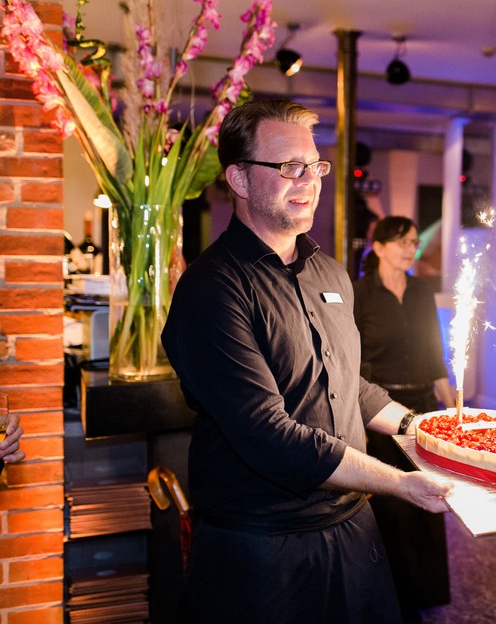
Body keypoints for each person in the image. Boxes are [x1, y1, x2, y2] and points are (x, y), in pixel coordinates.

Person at [160, 100, 450, 623]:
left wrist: (422, 429)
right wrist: (400, 481)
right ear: (239, 179)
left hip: (354, 530)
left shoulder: (332, 274)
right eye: (289, 167)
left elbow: (347, 383)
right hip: (263, 548)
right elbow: (268, 435)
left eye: (314, 166)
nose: (309, 180)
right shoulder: (212, 288)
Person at [354, 216, 454, 622]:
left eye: (414, 242)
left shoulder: (420, 291)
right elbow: (353, 359)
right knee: (392, 507)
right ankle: (395, 597)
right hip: (380, 411)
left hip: (423, 407)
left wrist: (451, 404)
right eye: (401, 242)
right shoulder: (360, 292)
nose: (411, 249)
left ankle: (426, 591)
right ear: (378, 247)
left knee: (430, 499)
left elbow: (433, 352)